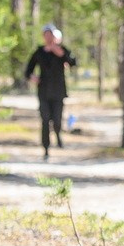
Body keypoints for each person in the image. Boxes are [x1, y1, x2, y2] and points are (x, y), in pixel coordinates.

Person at [24, 24, 77, 161]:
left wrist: (60, 53)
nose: (48, 37)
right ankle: (46, 148)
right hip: (43, 91)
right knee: (45, 119)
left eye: (51, 35)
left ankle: (58, 134)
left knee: (57, 120)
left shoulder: (62, 50)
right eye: (46, 35)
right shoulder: (39, 51)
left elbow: (72, 62)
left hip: (58, 91)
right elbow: (28, 70)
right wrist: (32, 77)